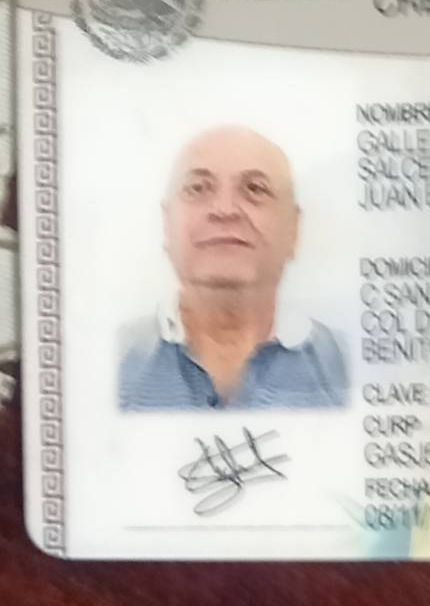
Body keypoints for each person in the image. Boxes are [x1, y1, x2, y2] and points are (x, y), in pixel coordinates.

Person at [120, 125, 348, 408]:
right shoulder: (105, 364)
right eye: (197, 188)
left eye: (255, 189)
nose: (224, 210)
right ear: (167, 226)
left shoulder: (350, 369)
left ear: (293, 229)